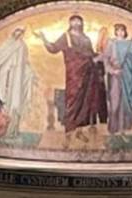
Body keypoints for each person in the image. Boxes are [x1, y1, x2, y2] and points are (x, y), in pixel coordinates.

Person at [35, 15, 108, 147]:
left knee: (85, 102)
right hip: (74, 74)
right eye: (74, 21)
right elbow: (53, 48)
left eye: (79, 21)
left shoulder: (86, 39)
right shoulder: (66, 37)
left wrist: (99, 57)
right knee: (73, 102)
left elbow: (90, 54)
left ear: (82, 23)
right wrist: (44, 39)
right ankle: (68, 134)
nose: (77, 23)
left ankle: (79, 131)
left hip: (88, 74)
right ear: (70, 23)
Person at [102, 24, 132, 137]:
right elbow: (105, 60)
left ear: (125, 32)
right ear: (115, 32)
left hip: (128, 76)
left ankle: (123, 130)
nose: (120, 32)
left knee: (125, 104)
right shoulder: (111, 43)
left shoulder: (129, 44)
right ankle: (113, 129)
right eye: (118, 30)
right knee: (115, 102)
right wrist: (112, 71)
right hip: (115, 76)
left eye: (122, 30)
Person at [0, 27, 36, 137]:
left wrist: (29, 72)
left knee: (15, 102)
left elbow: (25, 61)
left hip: (17, 78)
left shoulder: (23, 46)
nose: (18, 33)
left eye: (21, 32)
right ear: (13, 32)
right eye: (17, 31)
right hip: (5, 76)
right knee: (3, 99)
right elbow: (0, 58)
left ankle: (12, 130)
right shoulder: (7, 44)